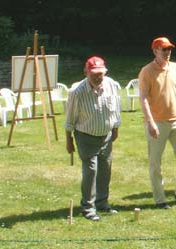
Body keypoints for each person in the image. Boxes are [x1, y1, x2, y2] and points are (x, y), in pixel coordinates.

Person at [139, 37, 176, 209]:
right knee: (156, 162)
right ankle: (160, 199)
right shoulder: (146, 71)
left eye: (169, 49)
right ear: (155, 51)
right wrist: (150, 122)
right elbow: (143, 98)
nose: (168, 52)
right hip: (157, 122)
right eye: (164, 49)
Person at [65, 56, 121, 221]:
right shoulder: (77, 92)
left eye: (100, 73)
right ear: (86, 72)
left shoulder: (111, 84)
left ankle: (102, 203)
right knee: (91, 171)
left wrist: (115, 129)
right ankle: (88, 208)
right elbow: (70, 118)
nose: (98, 77)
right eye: (94, 74)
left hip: (106, 136)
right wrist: (69, 140)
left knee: (105, 170)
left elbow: (116, 109)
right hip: (85, 137)